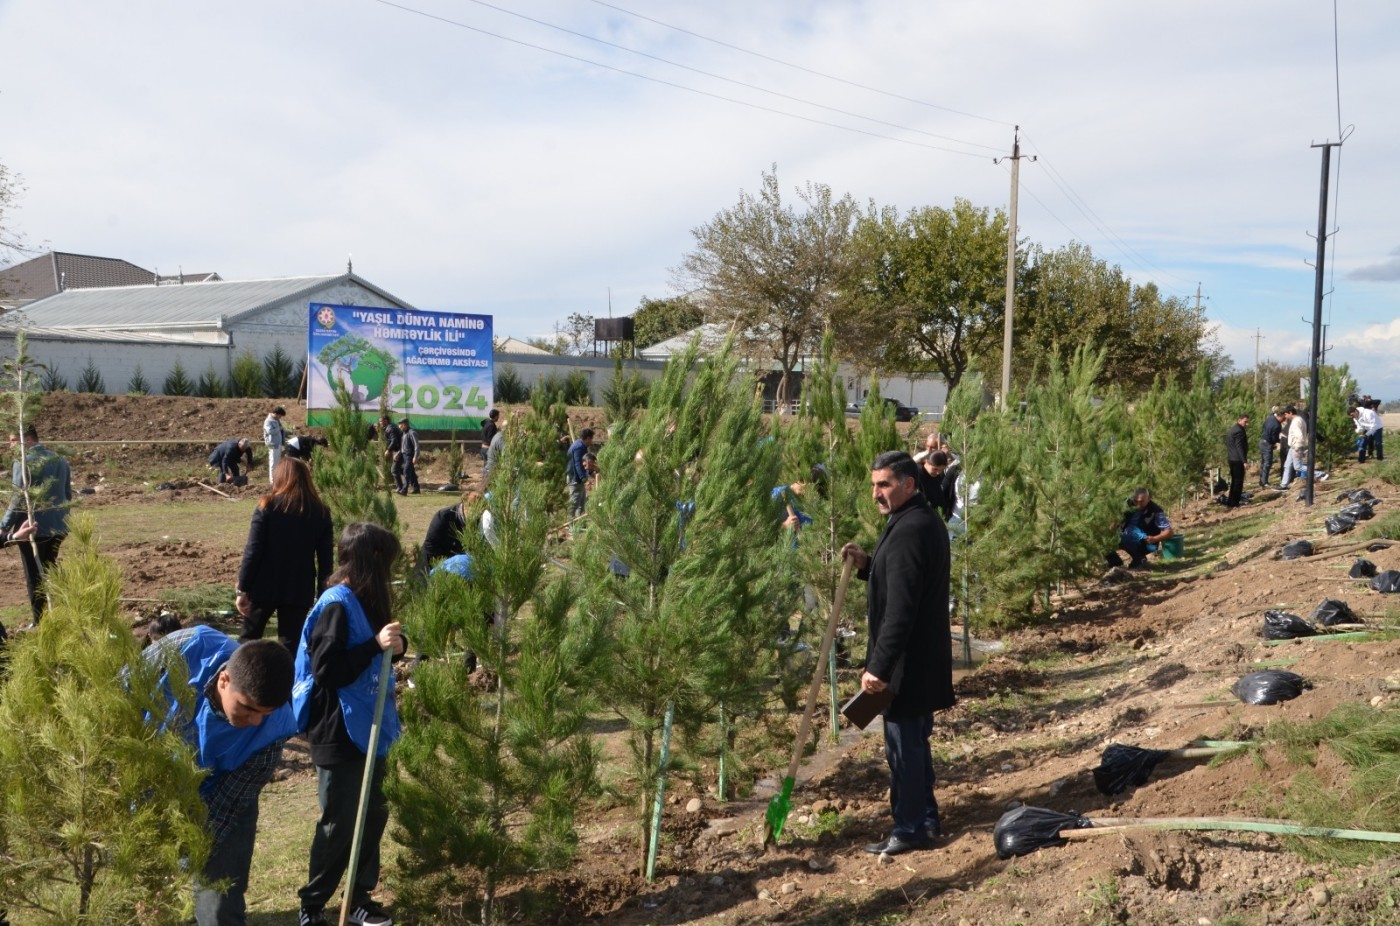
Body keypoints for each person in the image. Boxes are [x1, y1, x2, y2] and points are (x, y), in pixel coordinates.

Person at [839, 451, 953, 857]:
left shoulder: (909, 530)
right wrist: (868, 564)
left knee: (904, 748)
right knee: (914, 744)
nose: (876, 493)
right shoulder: (918, 521)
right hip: (920, 660)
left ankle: (908, 829)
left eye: (884, 484)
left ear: (908, 484)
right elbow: (901, 579)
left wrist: (878, 667)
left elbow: (901, 609)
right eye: (873, 484)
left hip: (906, 663)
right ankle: (924, 818)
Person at [146, 626, 298, 926]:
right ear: (224, 679)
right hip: (149, 779)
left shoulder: (274, 732)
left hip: (219, 797)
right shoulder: (186, 646)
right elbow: (120, 692)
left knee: (219, 900)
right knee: (148, 893)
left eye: (264, 713)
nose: (255, 721)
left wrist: (188, 850)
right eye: (247, 708)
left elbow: (223, 809)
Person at [295, 522, 406, 926]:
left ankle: (359, 898)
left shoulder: (367, 598)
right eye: (386, 561)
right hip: (337, 729)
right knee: (340, 820)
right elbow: (327, 670)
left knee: (373, 812)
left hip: (372, 725)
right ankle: (312, 905)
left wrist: (396, 644)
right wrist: (373, 646)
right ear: (370, 560)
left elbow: (381, 643)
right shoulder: (336, 604)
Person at [236, 458, 334, 651]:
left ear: (279, 478)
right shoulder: (321, 512)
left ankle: (240, 678)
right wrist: (322, 596)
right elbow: (326, 560)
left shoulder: (267, 506)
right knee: (290, 645)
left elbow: (253, 550)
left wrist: (243, 588)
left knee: (247, 640)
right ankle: (286, 680)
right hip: (299, 587)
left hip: (264, 585)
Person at [0, 425, 72, 624]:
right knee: (49, 570)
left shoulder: (23, 461)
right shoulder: (60, 460)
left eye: (13, 440)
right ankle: (59, 612)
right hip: (59, 527)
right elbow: (68, 495)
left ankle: (38, 621)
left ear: (28, 440)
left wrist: (4, 526)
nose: (10, 445)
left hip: (33, 529)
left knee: (34, 575)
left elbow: (18, 498)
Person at [1114, 487, 1174, 569]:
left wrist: (1155, 538)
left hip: (1147, 543)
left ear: (1149, 499)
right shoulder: (1127, 505)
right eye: (1136, 501)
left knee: (1126, 535)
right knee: (1104, 540)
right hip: (1128, 536)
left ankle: (1139, 558)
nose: (1138, 504)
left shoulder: (1155, 511)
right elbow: (1116, 521)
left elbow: (1169, 531)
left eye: (1142, 501)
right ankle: (1115, 563)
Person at [566, 428, 594, 521]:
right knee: (574, 502)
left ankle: (580, 523)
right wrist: (584, 479)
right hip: (574, 478)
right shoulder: (579, 447)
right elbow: (578, 464)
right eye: (591, 438)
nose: (592, 441)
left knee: (581, 501)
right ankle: (571, 525)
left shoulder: (581, 445)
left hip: (578, 477)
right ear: (587, 438)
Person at [1279, 406, 1308, 489]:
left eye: (1286, 414)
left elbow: (1300, 436)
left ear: (1291, 413)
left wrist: (1296, 449)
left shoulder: (1296, 422)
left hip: (1296, 447)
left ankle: (1320, 474)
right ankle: (1283, 485)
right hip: (1293, 447)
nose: (1285, 416)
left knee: (1298, 466)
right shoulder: (1298, 420)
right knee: (1287, 465)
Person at [1225, 412, 1249, 508]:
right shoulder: (1239, 431)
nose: (1247, 424)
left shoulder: (1233, 429)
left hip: (1232, 458)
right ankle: (1234, 503)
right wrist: (1244, 461)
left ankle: (1231, 502)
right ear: (1239, 420)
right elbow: (1239, 447)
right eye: (1245, 422)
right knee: (1238, 482)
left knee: (1234, 481)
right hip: (1237, 460)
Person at [394, 418, 420, 496]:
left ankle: (404, 490)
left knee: (406, 471)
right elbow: (403, 446)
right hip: (404, 455)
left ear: (405, 424)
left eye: (401, 424)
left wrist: (415, 456)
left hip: (410, 455)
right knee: (410, 472)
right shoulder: (404, 433)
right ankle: (416, 488)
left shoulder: (412, 433)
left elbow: (416, 446)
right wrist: (398, 453)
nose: (399, 426)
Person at [1259, 407, 1284, 487]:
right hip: (1267, 443)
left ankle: (1262, 480)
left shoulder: (1270, 418)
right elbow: (1274, 437)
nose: (1283, 420)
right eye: (1283, 418)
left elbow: (1263, 427)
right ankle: (1264, 482)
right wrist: (1277, 443)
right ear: (1280, 416)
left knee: (1263, 462)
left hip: (1262, 441)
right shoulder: (1277, 425)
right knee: (1268, 463)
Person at [263, 406, 287, 483]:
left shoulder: (276, 420)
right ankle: (272, 481)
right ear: (276, 414)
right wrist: (279, 429)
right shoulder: (268, 421)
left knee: (277, 462)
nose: (280, 418)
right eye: (280, 416)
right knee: (273, 463)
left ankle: (276, 479)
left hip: (278, 444)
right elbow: (270, 431)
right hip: (273, 444)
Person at [482, 419, 505, 487]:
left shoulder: (497, 435)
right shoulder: (502, 439)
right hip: (493, 472)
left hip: (490, 469)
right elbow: (506, 457)